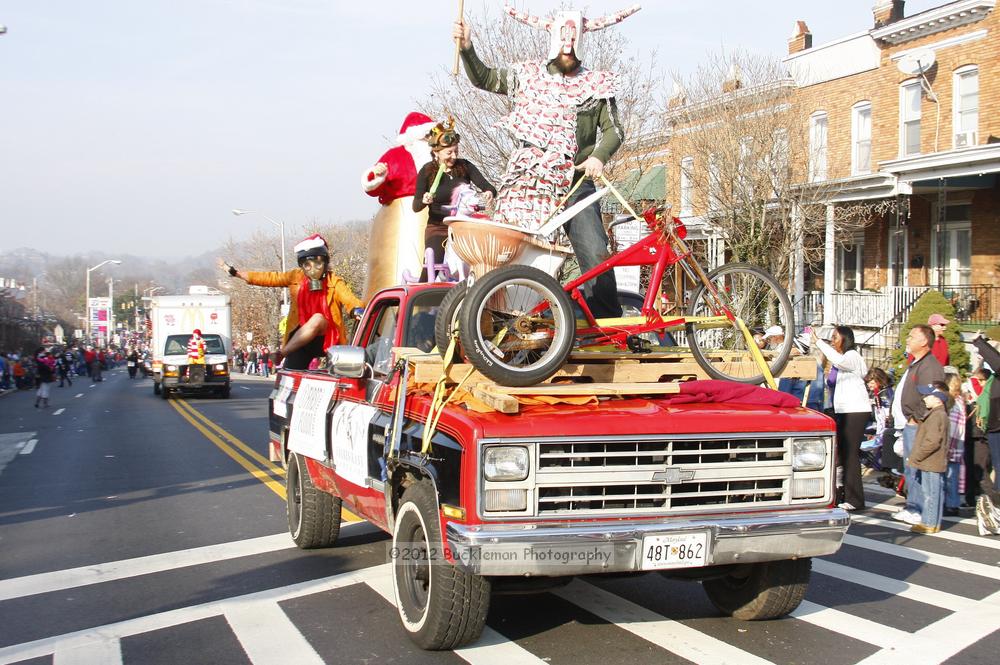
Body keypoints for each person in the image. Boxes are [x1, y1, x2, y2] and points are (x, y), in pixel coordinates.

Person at [454, 5, 640, 318]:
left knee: (595, 250)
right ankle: (498, 318)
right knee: (513, 250)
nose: (568, 44)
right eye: (562, 36)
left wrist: (597, 156)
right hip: (530, 181)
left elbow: (614, 130)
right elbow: (484, 78)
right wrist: (467, 48)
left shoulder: (595, 86)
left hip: (575, 184)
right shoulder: (527, 76)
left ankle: (607, 323)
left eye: (574, 37)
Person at [221, 234, 364, 370]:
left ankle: (282, 353)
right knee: (289, 378)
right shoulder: (295, 277)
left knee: (318, 319)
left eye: (317, 264)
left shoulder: (334, 281)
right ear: (302, 266)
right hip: (301, 340)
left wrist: (356, 310)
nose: (312, 269)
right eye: (307, 265)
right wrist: (237, 273)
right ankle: (285, 359)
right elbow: (269, 278)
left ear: (325, 263)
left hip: (328, 338)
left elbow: (349, 298)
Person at [362, 111, 438, 301]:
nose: (429, 140)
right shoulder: (395, 156)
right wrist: (376, 174)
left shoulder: (439, 159)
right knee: (403, 265)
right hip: (402, 217)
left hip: (436, 216)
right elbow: (372, 185)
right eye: (426, 135)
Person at [412, 119, 496, 267]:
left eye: (456, 151)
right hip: (438, 227)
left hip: (464, 226)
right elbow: (416, 206)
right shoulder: (426, 171)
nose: (454, 156)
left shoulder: (465, 166)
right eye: (449, 152)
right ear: (436, 152)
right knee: (432, 267)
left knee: (478, 262)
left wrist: (489, 192)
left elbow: (486, 185)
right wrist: (424, 200)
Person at [892, 325, 946, 525]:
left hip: (919, 425)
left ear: (924, 341)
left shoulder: (929, 366)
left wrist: (916, 418)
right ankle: (913, 506)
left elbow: (932, 396)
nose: (908, 338)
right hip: (910, 422)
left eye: (912, 336)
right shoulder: (917, 363)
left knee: (916, 468)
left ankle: (919, 509)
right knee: (910, 468)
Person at [813, 326, 869, 511]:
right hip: (844, 410)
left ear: (845, 338)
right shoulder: (842, 360)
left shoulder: (852, 355)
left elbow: (837, 359)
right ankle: (846, 493)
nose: (833, 341)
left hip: (855, 409)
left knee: (851, 454)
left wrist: (819, 343)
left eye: (835, 337)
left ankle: (855, 499)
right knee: (845, 454)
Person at [908, 381, 950, 534]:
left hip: (931, 461)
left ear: (938, 399)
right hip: (932, 460)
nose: (924, 398)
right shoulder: (938, 414)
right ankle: (932, 522)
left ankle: (929, 523)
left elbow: (932, 441)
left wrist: (917, 456)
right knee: (933, 492)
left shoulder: (936, 415)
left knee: (930, 493)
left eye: (928, 396)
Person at [944, 374, 966, 516]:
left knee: (949, 476)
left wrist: (946, 447)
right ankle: (954, 503)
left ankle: (950, 504)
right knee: (953, 475)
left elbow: (951, 427)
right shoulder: (960, 400)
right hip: (958, 445)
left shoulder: (952, 403)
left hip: (952, 444)